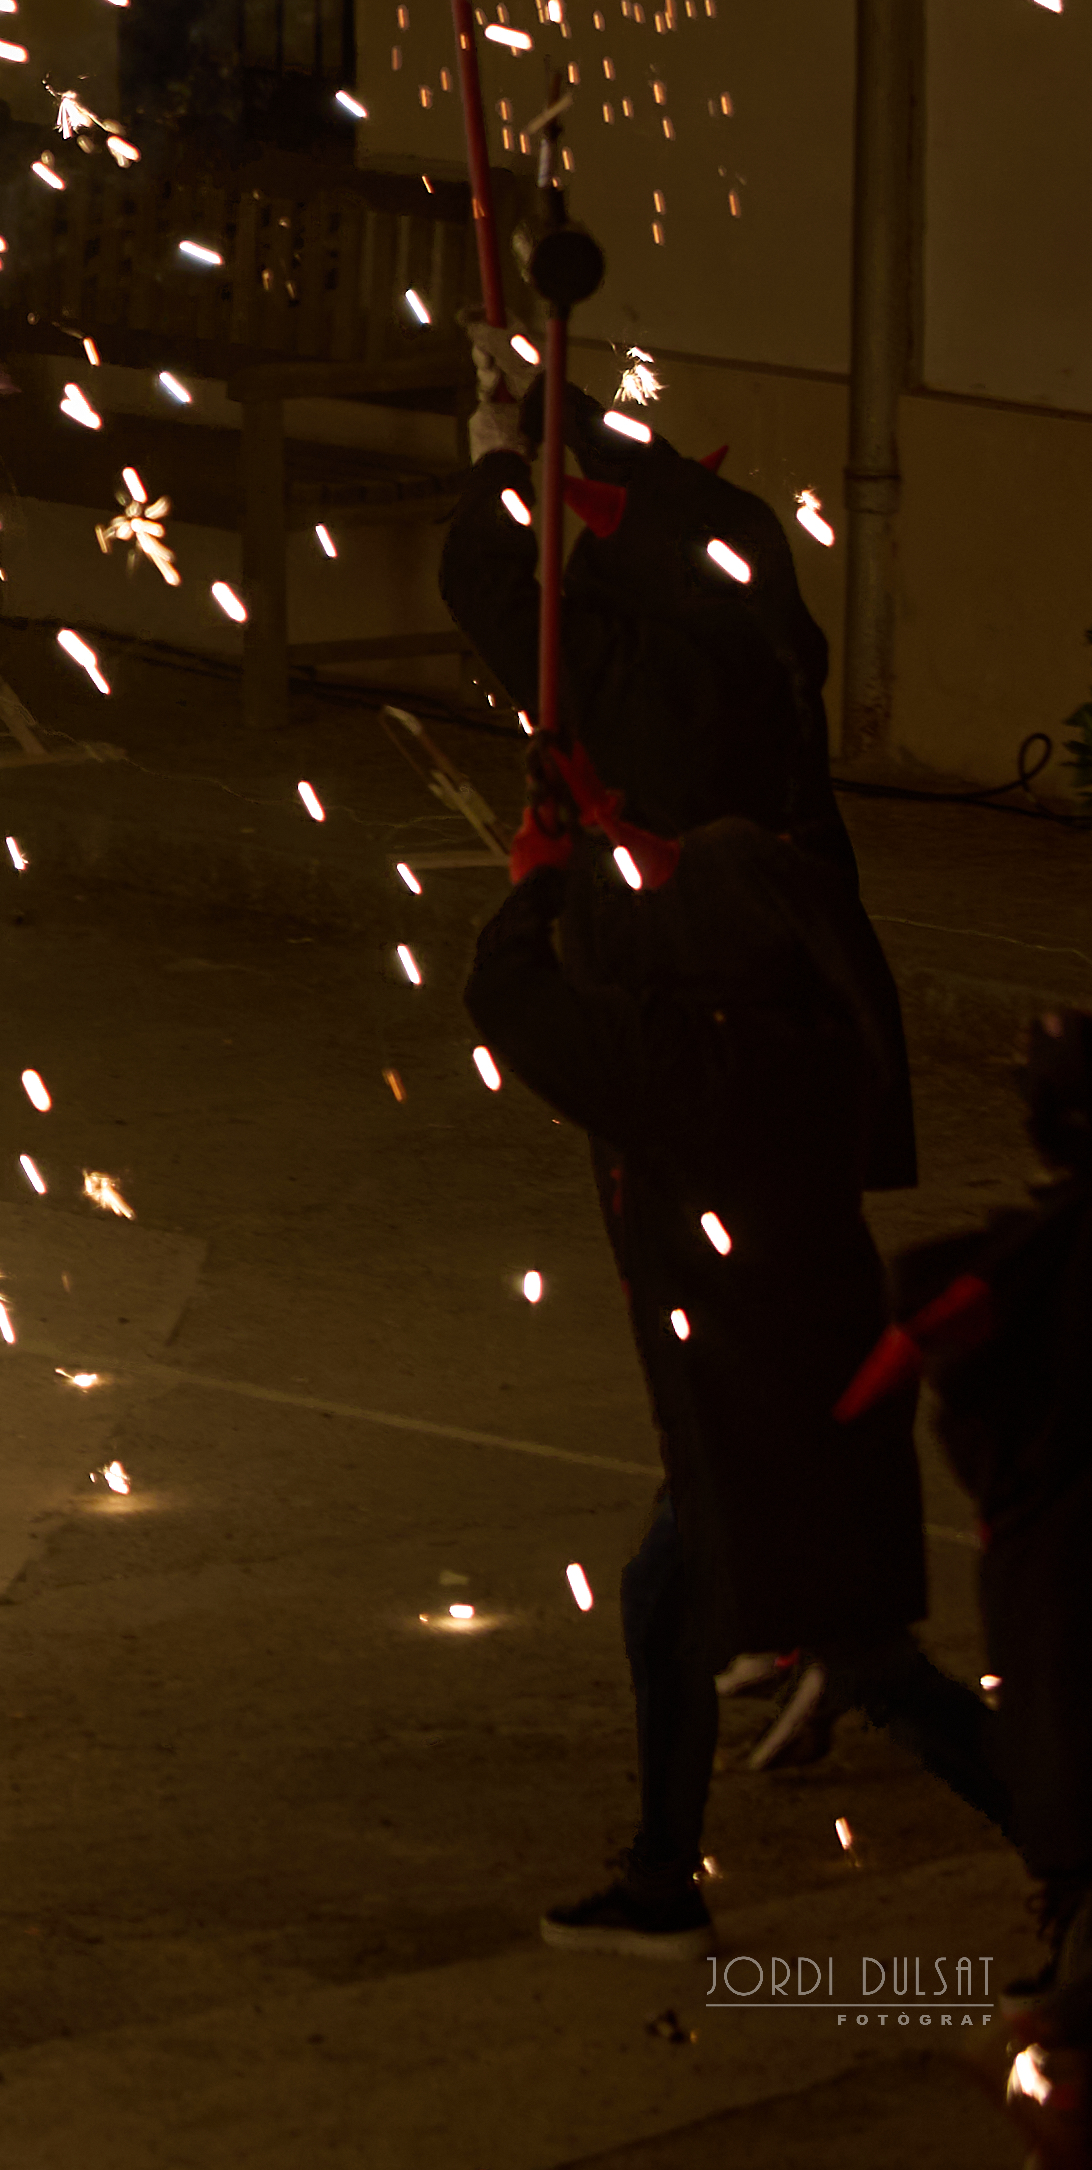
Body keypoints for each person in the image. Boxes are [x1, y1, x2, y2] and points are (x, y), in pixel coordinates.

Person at [470, 812, 1008, 1955]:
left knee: (869, 1662)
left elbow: (514, 1002)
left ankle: (1068, 1839)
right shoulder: (815, 1028)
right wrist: (598, 822)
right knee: (662, 1604)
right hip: (797, 1369)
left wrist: (536, 889)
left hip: (757, 1407)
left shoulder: (688, 1063)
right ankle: (662, 1878)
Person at [848, 1012, 1092, 2107]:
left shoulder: (1050, 1255)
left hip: (1069, 1551)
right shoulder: (1048, 1244)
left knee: (1069, 1753)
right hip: (1058, 1541)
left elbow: (935, 1333)